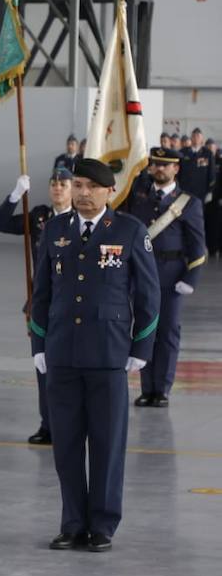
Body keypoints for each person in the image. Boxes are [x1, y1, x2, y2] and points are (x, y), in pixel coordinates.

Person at [30, 158, 160, 553]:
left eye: (90, 187)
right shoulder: (55, 231)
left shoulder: (130, 231)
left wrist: (140, 348)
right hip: (63, 353)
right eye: (78, 185)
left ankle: (102, 524)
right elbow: (41, 295)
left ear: (109, 191)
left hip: (108, 354)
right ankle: (72, 523)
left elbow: (149, 295)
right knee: (67, 445)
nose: (82, 193)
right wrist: (39, 345)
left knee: (107, 443)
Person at [0, 167, 75, 444]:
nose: (58, 188)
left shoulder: (82, 219)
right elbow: (0, 223)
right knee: (43, 366)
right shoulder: (39, 216)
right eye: (54, 183)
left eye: (63, 183)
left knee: (72, 367)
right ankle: (48, 425)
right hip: (41, 302)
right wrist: (15, 195)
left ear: (73, 188)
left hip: (74, 303)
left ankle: (73, 426)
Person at [121, 148, 207, 407]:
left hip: (171, 277)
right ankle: (147, 388)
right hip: (142, 276)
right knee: (145, 330)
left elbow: (197, 245)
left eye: (165, 165)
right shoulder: (138, 199)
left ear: (176, 169)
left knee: (167, 332)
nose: (159, 168)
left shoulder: (188, 204)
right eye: (156, 164)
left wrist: (190, 279)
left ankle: (162, 389)